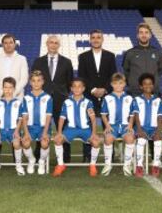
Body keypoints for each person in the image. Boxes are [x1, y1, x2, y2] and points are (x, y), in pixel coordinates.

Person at [31, 35, 73, 163]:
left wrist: (63, 94)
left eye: (56, 43)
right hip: (43, 100)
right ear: (47, 44)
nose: (53, 45)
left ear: (59, 45)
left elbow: (69, 81)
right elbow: (35, 80)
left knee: (64, 127)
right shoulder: (38, 61)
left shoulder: (67, 62)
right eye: (51, 42)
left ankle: (66, 158)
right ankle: (39, 156)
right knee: (42, 126)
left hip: (61, 99)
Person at [78, 29, 117, 163]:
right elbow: (82, 76)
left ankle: (109, 154)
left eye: (98, 37)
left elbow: (113, 75)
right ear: (90, 39)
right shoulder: (83, 57)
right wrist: (93, 89)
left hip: (107, 95)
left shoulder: (110, 56)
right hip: (89, 95)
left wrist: (105, 89)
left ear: (102, 39)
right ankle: (87, 154)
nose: (96, 39)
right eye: (93, 37)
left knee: (109, 123)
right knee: (88, 124)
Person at [52, 78, 100, 177]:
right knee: (58, 140)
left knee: (96, 142)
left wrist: (94, 133)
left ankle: (92, 165)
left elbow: (93, 119)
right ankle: (60, 165)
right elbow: (61, 118)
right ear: (71, 89)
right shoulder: (66, 102)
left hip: (85, 129)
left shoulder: (88, 102)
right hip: (70, 129)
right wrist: (59, 132)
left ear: (83, 89)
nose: (77, 88)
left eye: (79, 86)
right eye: (75, 86)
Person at [100, 73, 135, 177]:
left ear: (124, 84)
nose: (118, 86)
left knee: (130, 138)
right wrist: (107, 126)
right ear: (112, 84)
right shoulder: (107, 98)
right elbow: (103, 114)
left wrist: (130, 125)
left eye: (121, 83)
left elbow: (132, 114)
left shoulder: (129, 98)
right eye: (116, 83)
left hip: (125, 126)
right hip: (113, 126)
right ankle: (107, 165)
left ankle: (127, 165)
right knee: (108, 139)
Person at [0, 77, 25, 176]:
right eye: (6, 87)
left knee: (16, 144)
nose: (8, 90)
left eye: (10, 87)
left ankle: (18, 165)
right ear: (2, 88)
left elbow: (20, 118)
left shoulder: (18, 103)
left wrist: (17, 131)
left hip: (13, 131)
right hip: (1, 131)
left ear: (14, 89)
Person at [132, 73, 162, 178]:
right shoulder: (137, 99)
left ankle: (155, 165)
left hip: (154, 128)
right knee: (141, 140)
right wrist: (140, 130)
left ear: (153, 86)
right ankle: (139, 165)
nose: (147, 86)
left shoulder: (158, 100)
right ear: (141, 86)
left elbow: (160, 117)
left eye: (150, 84)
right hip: (141, 128)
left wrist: (158, 131)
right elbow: (136, 116)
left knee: (158, 140)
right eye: (145, 84)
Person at [22, 71, 53, 175]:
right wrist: (26, 132)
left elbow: (48, 116)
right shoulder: (26, 98)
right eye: (34, 81)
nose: (36, 83)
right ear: (30, 82)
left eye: (39, 80)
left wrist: (45, 132)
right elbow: (24, 117)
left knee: (44, 143)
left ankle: (41, 161)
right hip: (30, 128)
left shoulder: (48, 98)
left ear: (43, 82)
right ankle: (31, 160)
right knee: (25, 143)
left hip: (43, 127)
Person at [122, 23, 162, 96]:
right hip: (135, 93)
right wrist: (134, 84)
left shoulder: (157, 52)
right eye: (141, 32)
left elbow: (160, 70)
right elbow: (126, 71)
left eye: (146, 32)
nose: (144, 35)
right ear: (137, 35)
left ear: (150, 35)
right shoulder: (130, 53)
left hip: (153, 92)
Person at [0, 34, 28, 101]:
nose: (8, 45)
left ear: (15, 44)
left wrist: (14, 92)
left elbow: (24, 79)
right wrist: (1, 92)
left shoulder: (22, 59)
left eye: (11, 42)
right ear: (2, 44)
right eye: (6, 43)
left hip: (17, 97)